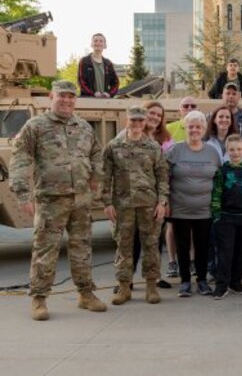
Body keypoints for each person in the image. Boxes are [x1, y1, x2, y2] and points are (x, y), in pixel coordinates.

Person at [9, 80, 108, 320]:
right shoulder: (36, 126)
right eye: (62, 96)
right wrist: (22, 193)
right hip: (51, 201)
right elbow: (21, 158)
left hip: (81, 200)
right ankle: (39, 298)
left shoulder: (83, 127)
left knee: (82, 248)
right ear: (52, 97)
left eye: (71, 97)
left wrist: (96, 174)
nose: (66, 100)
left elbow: (96, 152)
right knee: (45, 250)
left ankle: (86, 294)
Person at [102, 106, 169, 306]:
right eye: (134, 120)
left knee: (151, 245)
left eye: (141, 120)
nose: (137, 124)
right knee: (124, 246)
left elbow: (162, 176)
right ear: (127, 121)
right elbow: (105, 176)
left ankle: (151, 286)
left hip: (149, 205)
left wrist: (162, 202)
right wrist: (106, 203)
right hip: (123, 205)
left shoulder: (153, 147)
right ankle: (124, 286)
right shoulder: (114, 146)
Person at [165, 110, 222, 298]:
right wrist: (164, 201)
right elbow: (164, 177)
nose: (195, 130)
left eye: (199, 126)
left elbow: (219, 179)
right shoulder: (175, 150)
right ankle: (184, 282)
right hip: (180, 208)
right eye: (191, 126)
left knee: (202, 246)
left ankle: (202, 281)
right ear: (185, 128)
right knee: (182, 246)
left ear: (204, 129)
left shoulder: (213, 152)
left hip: (204, 210)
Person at [210, 134, 242, 300]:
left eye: (239, 149)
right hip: (226, 218)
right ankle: (221, 285)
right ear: (227, 150)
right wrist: (217, 216)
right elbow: (217, 194)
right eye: (232, 149)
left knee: (240, 252)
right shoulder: (222, 171)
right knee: (225, 253)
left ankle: (235, 282)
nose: (235, 152)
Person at [77, 33, 119, 98]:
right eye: (95, 41)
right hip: (87, 100)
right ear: (91, 44)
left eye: (101, 41)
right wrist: (93, 93)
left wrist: (109, 94)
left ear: (105, 45)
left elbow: (116, 83)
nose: (98, 43)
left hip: (105, 101)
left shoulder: (108, 63)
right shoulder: (84, 61)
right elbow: (81, 82)